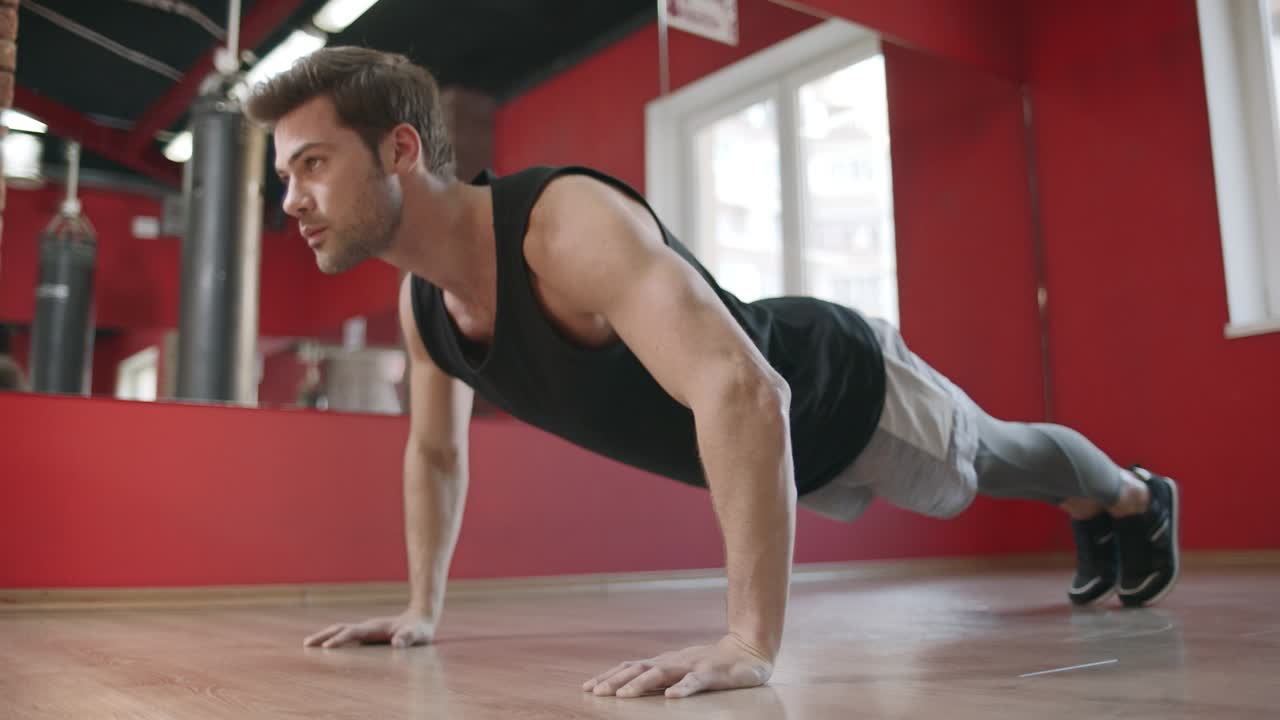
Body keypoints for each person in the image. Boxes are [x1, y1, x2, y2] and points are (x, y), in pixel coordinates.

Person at [244, 47, 1180, 700]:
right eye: (285, 175)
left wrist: (749, 643)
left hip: (834, 387)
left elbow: (744, 390)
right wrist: (420, 609)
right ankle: (1101, 509)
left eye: (313, 165)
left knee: (1001, 461)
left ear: (400, 151)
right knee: (998, 471)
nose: (293, 201)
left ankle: (1132, 499)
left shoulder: (562, 227)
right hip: (782, 448)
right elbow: (436, 457)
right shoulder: (423, 307)